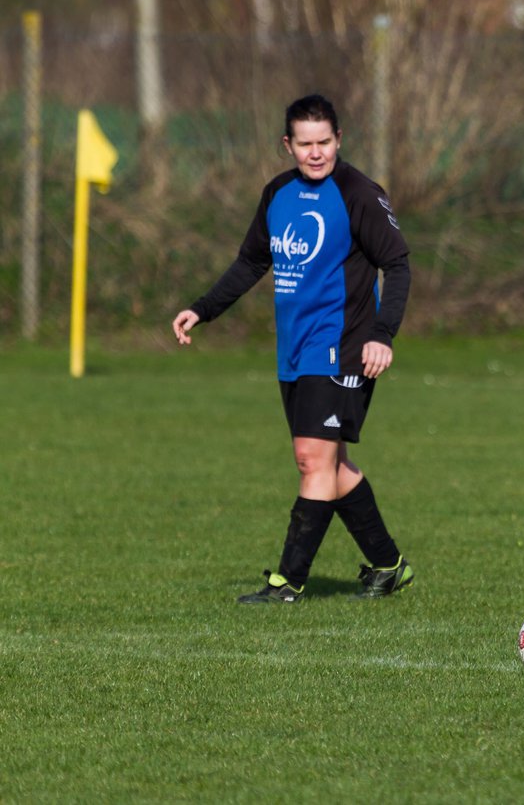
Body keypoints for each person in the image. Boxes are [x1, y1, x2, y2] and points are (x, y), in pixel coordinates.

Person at [172, 94, 415, 604]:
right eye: (304, 144)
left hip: (343, 346)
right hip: (296, 351)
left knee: (311, 459)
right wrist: (204, 308)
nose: (316, 153)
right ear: (288, 145)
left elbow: (397, 264)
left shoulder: (358, 193)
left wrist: (382, 333)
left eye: (324, 141)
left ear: (339, 139)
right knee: (330, 464)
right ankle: (388, 565)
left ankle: (288, 581)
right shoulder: (277, 194)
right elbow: (250, 262)